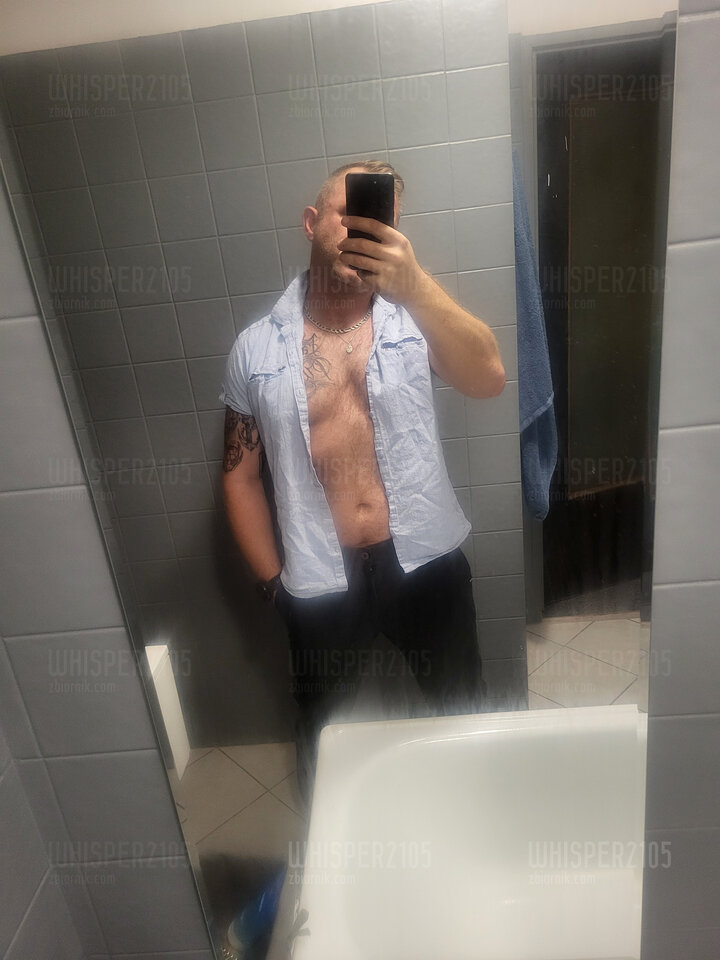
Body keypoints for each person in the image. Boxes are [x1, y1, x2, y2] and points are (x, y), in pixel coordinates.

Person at [219, 160, 505, 803]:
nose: (362, 227)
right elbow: (239, 478)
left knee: (464, 707)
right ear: (311, 222)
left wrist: (416, 286)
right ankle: (328, 845)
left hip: (425, 561)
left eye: (379, 217)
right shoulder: (256, 349)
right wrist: (274, 586)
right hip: (318, 576)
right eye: (348, 211)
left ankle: (481, 816)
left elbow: (489, 378)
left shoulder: (416, 318)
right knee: (320, 732)